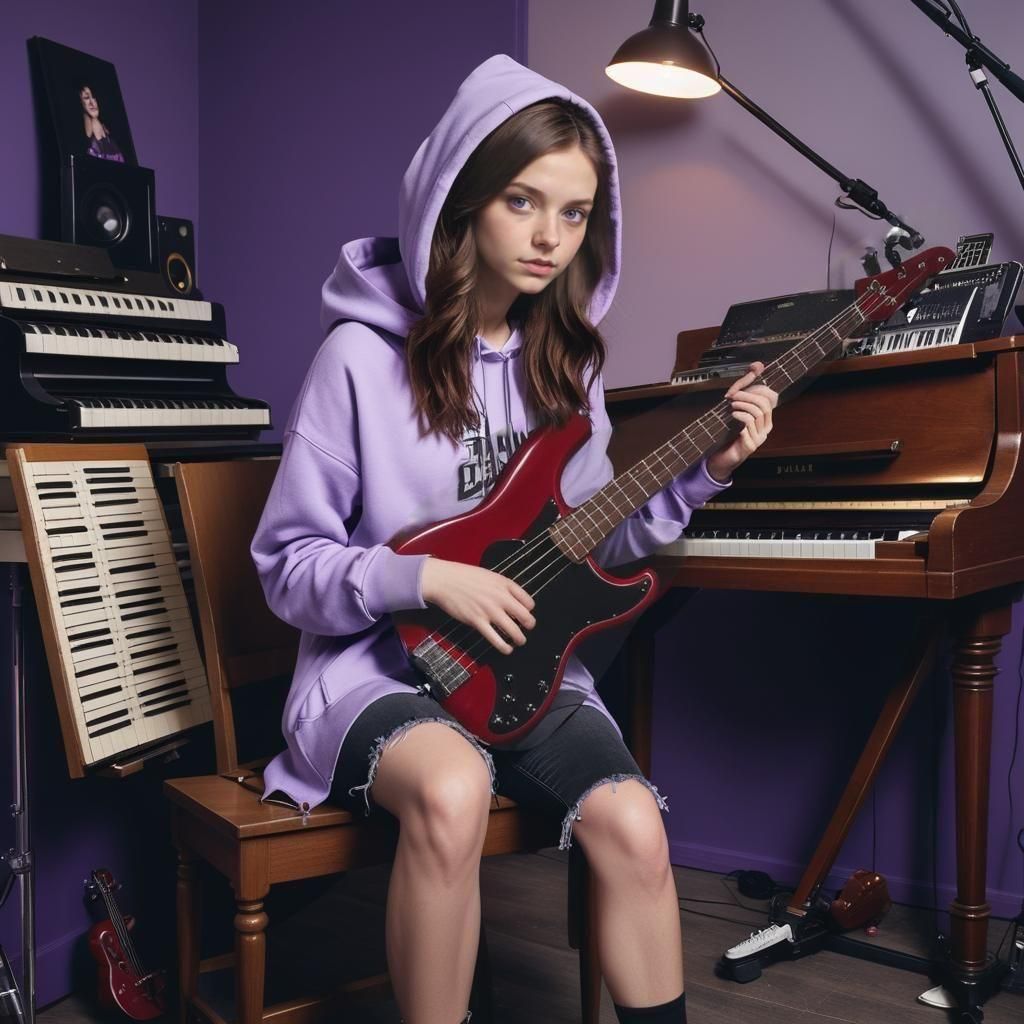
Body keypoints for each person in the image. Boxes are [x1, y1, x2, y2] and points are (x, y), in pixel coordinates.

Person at [251, 53, 779, 1024]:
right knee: (450, 789)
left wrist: (709, 468)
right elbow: (286, 569)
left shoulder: (564, 367)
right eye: (522, 202)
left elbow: (598, 553)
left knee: (630, 822)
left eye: (573, 213)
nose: (548, 237)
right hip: (375, 674)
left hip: (526, 670)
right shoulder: (359, 361)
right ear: (462, 199)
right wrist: (427, 581)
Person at [78, 84, 125, 162]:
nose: (92, 103)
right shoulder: (84, 140)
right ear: (80, 102)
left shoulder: (111, 135)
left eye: (93, 97)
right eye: (86, 98)